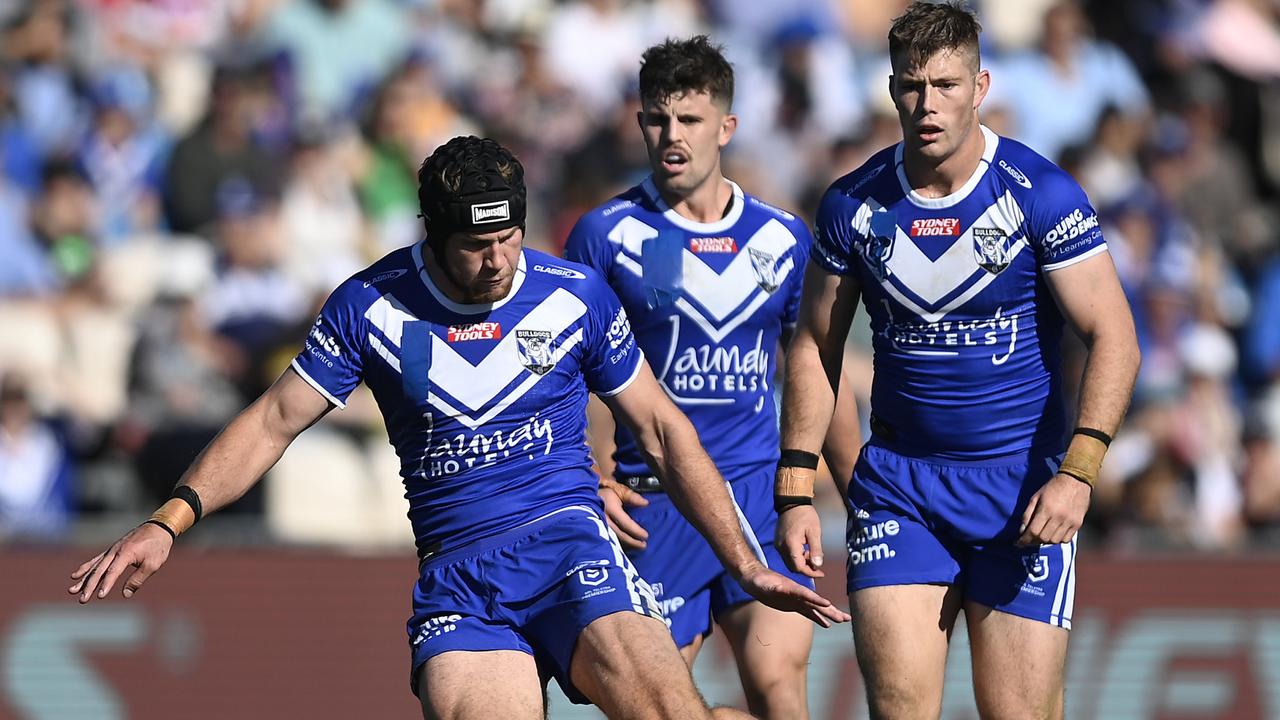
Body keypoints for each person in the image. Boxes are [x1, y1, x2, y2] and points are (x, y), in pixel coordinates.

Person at [68, 136, 849, 720]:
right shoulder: (369, 306)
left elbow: (664, 429)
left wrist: (745, 563)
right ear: (434, 236)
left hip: (571, 546)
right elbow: (273, 421)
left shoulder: (571, 294)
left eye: (509, 237)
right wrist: (170, 522)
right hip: (462, 583)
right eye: (478, 245)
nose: (500, 261)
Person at [774, 3, 1141, 719]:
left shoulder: (1043, 197)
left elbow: (1115, 338)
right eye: (913, 86)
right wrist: (794, 487)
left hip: (1021, 493)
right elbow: (816, 346)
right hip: (900, 491)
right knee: (901, 708)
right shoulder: (853, 205)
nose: (928, 104)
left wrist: (1079, 474)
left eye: (947, 85)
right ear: (890, 91)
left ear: (981, 87)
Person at [564, 36, 860, 720]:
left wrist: (856, 493)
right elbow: (565, 376)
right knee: (661, 708)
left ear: (725, 127)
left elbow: (819, 372)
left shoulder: (782, 239)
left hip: (760, 494)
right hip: (654, 503)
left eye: (690, 120)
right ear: (640, 125)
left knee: (778, 681)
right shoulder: (604, 236)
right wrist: (587, 479)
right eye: (657, 120)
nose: (672, 137)